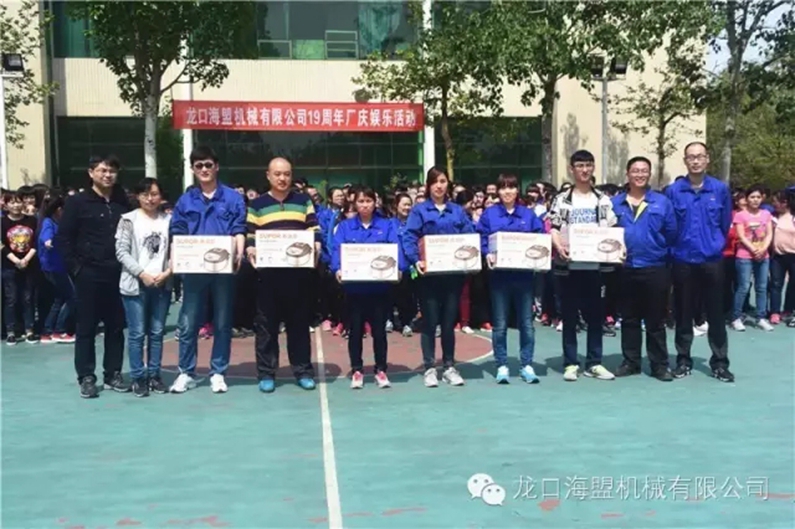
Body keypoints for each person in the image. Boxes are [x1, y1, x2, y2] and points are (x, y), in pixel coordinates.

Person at [169, 145, 247, 394]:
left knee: (222, 322)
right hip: (194, 271)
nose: (204, 169)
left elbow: (239, 228)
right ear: (193, 169)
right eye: (199, 165)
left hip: (223, 270)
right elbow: (177, 232)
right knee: (188, 322)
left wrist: (239, 254)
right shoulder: (186, 200)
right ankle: (186, 372)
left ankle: (218, 372)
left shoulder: (232, 198)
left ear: (217, 166)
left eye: (208, 164)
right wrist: (174, 259)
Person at [56, 155, 131, 398]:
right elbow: (63, 238)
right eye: (102, 170)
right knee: (86, 327)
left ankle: (113, 373)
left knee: (116, 326)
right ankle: (86, 376)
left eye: (112, 171)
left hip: (118, 272)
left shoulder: (123, 201)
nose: (107, 175)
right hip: (88, 273)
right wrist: (76, 269)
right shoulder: (77, 202)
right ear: (91, 173)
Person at [246, 157, 321, 393]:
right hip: (268, 275)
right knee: (266, 327)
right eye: (277, 174)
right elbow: (250, 234)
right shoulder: (257, 204)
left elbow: (314, 229)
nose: (282, 178)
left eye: (287, 174)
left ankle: (303, 371)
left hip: (298, 275)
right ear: (268, 175)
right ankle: (266, 373)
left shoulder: (303, 201)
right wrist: (250, 249)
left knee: (299, 325)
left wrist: (316, 245)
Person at [665, 142, 733, 382]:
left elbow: (724, 223)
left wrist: (714, 245)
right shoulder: (674, 191)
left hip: (711, 260)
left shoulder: (720, 189)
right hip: (683, 260)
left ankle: (720, 363)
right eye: (691, 157)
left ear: (707, 159)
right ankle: (683, 360)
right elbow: (670, 225)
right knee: (683, 313)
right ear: (685, 161)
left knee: (716, 314)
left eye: (699, 156)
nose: (695, 161)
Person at [548, 150, 617, 382]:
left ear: (593, 167)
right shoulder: (562, 199)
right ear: (572, 169)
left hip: (595, 268)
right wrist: (559, 247)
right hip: (568, 267)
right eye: (580, 165)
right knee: (569, 317)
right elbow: (554, 228)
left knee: (596, 317)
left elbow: (612, 230)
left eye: (588, 165)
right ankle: (570, 363)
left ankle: (594, 363)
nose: (584, 170)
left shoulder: (602, 199)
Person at [402, 166, 473, 387]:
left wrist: (469, 256)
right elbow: (409, 237)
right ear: (428, 185)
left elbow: (469, 236)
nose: (439, 186)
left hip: (452, 276)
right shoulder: (419, 211)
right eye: (435, 182)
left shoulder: (457, 211)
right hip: (428, 277)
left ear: (448, 184)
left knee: (448, 322)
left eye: (443, 181)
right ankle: (429, 367)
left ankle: (449, 366)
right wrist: (416, 260)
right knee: (430, 322)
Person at [331, 186, 405, 389]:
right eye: (361, 201)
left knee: (379, 332)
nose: (365, 205)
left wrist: (399, 268)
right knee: (355, 331)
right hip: (354, 289)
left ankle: (381, 369)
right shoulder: (345, 227)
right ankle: (357, 369)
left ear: (375, 202)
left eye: (369, 201)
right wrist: (337, 268)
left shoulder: (387, 225)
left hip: (379, 289)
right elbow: (337, 249)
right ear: (355, 203)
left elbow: (396, 248)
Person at [611, 157, 677, 381]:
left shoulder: (662, 202)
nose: (639, 174)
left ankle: (659, 365)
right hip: (625, 268)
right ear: (627, 174)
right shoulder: (615, 203)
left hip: (655, 267)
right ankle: (631, 362)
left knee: (655, 320)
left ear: (649, 174)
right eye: (635, 170)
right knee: (629, 318)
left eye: (644, 171)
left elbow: (671, 232)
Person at [476, 173, 544, 384]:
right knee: (500, 323)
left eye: (512, 187)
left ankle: (527, 364)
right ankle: (502, 365)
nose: (507, 191)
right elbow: (480, 238)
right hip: (499, 278)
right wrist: (486, 252)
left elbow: (540, 238)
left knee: (526, 323)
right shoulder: (489, 215)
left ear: (517, 190)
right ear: (498, 191)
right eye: (503, 187)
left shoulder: (528, 215)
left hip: (524, 277)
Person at [115, 178, 173, 397]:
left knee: (157, 332)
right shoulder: (128, 220)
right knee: (137, 333)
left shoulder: (169, 220)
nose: (150, 199)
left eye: (154, 194)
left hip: (162, 283)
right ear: (137, 196)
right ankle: (138, 377)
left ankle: (155, 375)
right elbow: (121, 251)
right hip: (135, 284)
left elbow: (176, 250)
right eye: (145, 194)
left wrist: (168, 273)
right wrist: (142, 274)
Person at [730, 184, 774, 332]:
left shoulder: (766, 214)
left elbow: (769, 233)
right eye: (752, 197)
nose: (755, 200)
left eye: (758, 197)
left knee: (762, 287)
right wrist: (753, 249)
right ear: (747, 199)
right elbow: (741, 235)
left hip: (763, 256)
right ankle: (736, 317)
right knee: (743, 286)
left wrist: (763, 248)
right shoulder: (740, 215)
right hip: (744, 256)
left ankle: (761, 317)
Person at [2, 190, 39, 345]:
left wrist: (26, 259)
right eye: (12, 202)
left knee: (28, 298)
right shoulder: (2, 222)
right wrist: (16, 260)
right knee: (11, 298)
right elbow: (2, 245)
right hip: (8, 266)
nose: (16, 205)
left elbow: (35, 242)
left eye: (18, 201)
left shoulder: (32, 221)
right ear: (6, 205)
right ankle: (10, 331)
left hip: (29, 264)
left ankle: (29, 330)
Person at [37, 195, 75, 344]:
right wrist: (48, 241)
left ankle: (48, 331)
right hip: (53, 267)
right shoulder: (48, 222)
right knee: (71, 297)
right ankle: (59, 330)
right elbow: (46, 237)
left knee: (59, 298)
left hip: (58, 266)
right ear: (59, 210)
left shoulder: (57, 222)